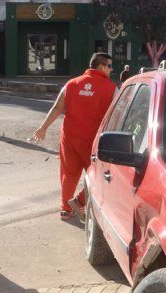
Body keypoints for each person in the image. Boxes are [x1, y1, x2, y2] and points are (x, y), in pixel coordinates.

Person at [32, 52, 117, 221]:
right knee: (99, 175)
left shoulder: (71, 84)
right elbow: (118, 115)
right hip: (94, 141)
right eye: (109, 66)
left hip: (70, 138)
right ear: (100, 66)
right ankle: (79, 201)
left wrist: (43, 128)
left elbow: (57, 108)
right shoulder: (112, 88)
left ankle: (65, 209)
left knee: (68, 174)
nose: (111, 69)